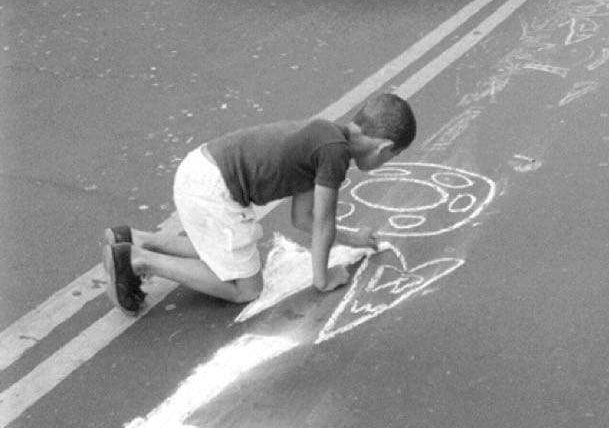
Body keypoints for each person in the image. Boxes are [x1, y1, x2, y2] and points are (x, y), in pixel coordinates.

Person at [102, 93, 417, 314]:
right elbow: (322, 223)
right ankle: (140, 260)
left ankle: (138, 239)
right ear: (384, 148)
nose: (388, 161)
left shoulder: (325, 136)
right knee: (247, 288)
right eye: (394, 156)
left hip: (200, 169)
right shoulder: (334, 156)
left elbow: (304, 219)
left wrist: (355, 239)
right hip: (215, 191)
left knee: (218, 252)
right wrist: (322, 279)